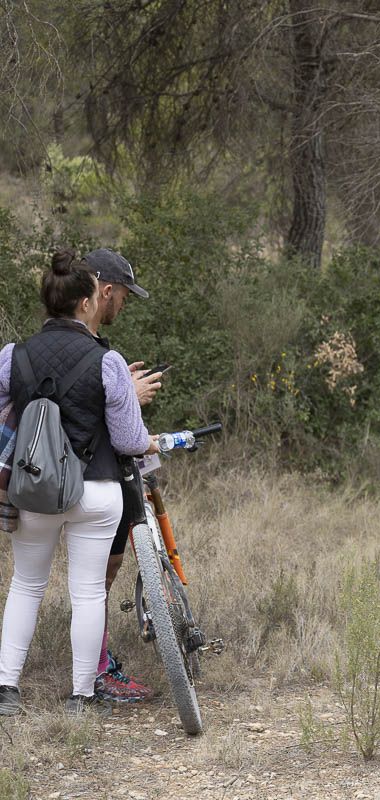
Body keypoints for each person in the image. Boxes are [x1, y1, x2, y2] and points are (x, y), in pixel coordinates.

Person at [0, 250, 158, 717]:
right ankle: (81, 695)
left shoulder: (13, 355)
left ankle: (7, 689)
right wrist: (146, 430)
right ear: (87, 302)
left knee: (26, 585)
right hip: (96, 489)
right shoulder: (108, 362)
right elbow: (128, 440)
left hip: (35, 490)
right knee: (87, 592)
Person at [84, 248, 161, 703]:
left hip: (80, 475)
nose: (124, 306)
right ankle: (94, 673)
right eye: (124, 297)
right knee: (98, 581)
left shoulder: (90, 347)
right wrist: (126, 396)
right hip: (97, 476)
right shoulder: (88, 347)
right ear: (105, 291)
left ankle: (92, 668)